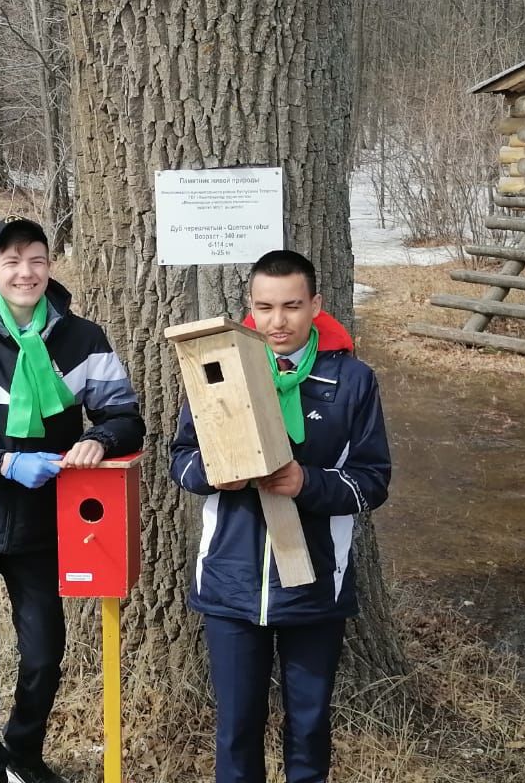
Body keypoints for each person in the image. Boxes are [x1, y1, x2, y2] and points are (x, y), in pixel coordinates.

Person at [0, 217, 145, 783]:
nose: (25, 271)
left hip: (44, 524)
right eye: (11, 261)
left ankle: (22, 753)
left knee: (43, 655)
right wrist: (4, 463)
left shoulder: (83, 339)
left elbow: (124, 417)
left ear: (49, 267)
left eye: (35, 259)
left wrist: (97, 438)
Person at [169, 249, 392, 783]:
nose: (277, 321)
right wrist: (213, 474)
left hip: (315, 586)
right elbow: (180, 461)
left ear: (316, 304)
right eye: (265, 307)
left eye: (292, 306)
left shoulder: (353, 381)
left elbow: (374, 480)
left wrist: (306, 483)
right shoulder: (218, 368)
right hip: (231, 584)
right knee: (236, 728)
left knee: (310, 727)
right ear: (250, 306)